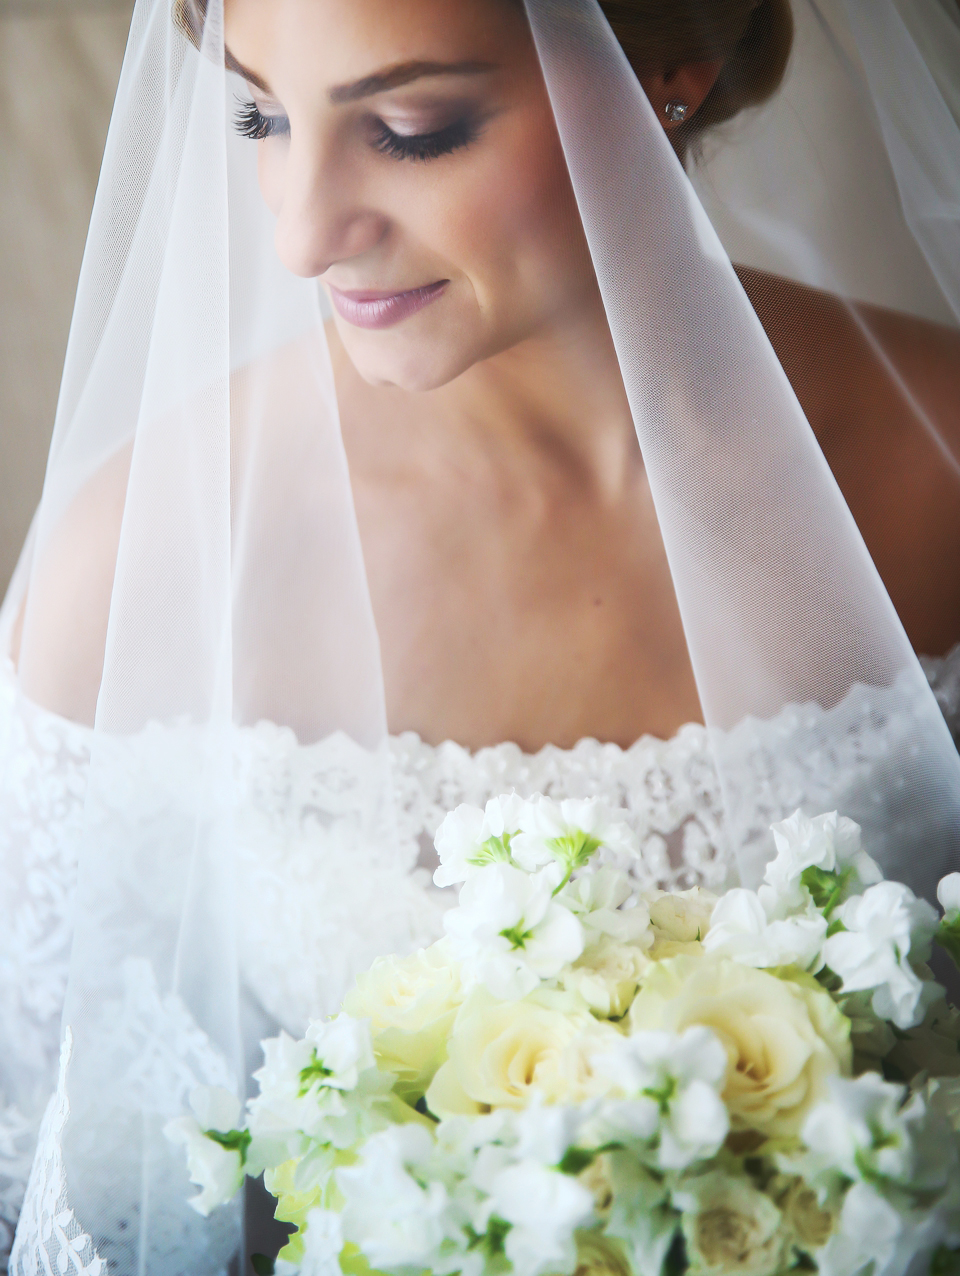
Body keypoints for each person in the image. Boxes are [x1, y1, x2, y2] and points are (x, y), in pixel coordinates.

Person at [2, 0, 958, 1273]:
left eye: (414, 129)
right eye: (260, 115)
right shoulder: (139, 571)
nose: (298, 233)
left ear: (665, 72)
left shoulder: (936, 464)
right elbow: (72, 1187)